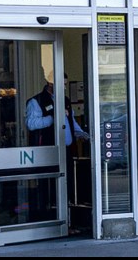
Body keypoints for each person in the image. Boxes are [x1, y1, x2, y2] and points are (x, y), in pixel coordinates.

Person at [26, 71, 90, 232]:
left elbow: (72, 123)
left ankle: (68, 223)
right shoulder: (37, 101)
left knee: (67, 187)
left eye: (66, 84)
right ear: (50, 83)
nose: (65, 87)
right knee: (49, 189)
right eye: (62, 84)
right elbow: (31, 124)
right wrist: (54, 117)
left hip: (67, 150)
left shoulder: (65, 101)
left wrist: (83, 134)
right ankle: (50, 224)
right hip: (49, 152)